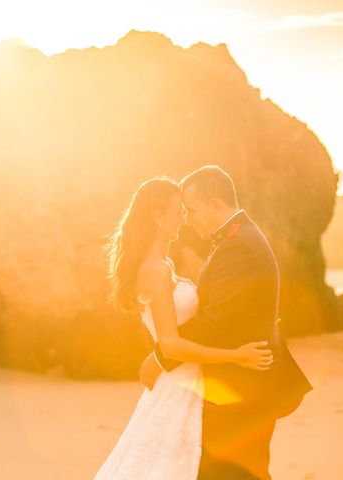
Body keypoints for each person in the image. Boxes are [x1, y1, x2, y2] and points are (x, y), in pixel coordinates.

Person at [94, 174, 277, 479]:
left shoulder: (166, 265)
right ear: (156, 216)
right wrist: (235, 355)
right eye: (178, 212)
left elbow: (197, 326)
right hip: (182, 382)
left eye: (188, 211)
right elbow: (171, 343)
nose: (184, 220)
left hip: (193, 379)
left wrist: (160, 357)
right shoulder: (155, 271)